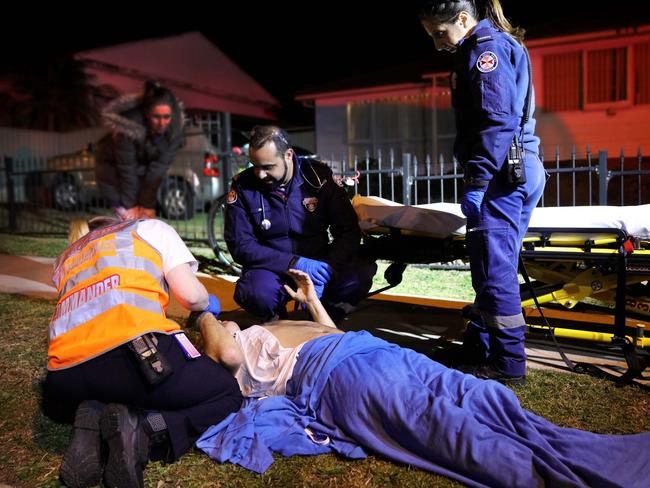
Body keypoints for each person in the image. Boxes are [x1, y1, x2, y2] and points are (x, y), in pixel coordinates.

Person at [194, 269, 649, 488]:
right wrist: (202, 315)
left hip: (370, 351)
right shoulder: (232, 351)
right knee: (453, 431)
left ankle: (618, 461)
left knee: (487, 399)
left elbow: (330, 333)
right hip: (340, 377)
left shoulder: (263, 330)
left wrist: (313, 302)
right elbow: (225, 348)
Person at [42, 217, 243, 488]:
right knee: (227, 393)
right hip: (136, 356)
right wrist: (208, 303)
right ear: (120, 221)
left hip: (64, 378)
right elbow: (190, 296)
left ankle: (96, 412)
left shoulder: (71, 254)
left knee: (111, 388)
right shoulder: (149, 229)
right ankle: (148, 427)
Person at [418, 0, 547, 384]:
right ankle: (482, 347)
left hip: (501, 175)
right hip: (514, 168)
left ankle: (507, 364)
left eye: (441, 33)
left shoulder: (485, 49)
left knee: (494, 272)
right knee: (492, 267)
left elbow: (496, 121)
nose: (439, 44)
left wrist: (477, 183)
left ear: (462, 19)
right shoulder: (493, 45)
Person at [224, 125, 377, 323]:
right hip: (273, 268)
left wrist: (328, 266)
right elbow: (240, 245)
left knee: (359, 272)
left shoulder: (319, 178)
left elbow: (348, 231)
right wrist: (292, 263)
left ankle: (328, 319)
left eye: (268, 167)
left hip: (319, 264)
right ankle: (277, 325)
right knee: (255, 291)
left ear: (288, 155)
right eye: (255, 166)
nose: (260, 174)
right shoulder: (244, 186)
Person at [95, 80, 185, 220]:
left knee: (144, 217)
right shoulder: (129, 128)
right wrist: (130, 207)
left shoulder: (174, 131)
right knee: (125, 221)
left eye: (166, 117)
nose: (162, 123)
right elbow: (127, 169)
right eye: (156, 117)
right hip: (112, 173)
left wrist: (146, 205)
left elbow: (157, 171)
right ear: (147, 114)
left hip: (138, 174)